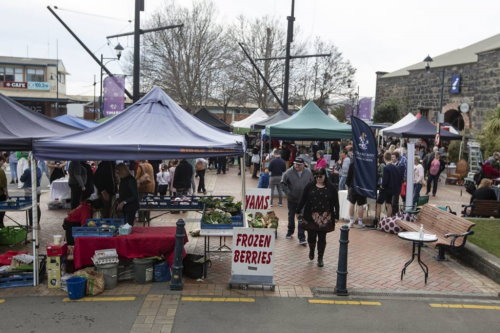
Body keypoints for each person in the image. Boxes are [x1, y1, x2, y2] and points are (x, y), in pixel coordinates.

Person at [296, 167, 339, 267]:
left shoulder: (331, 187)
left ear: (325, 176)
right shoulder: (309, 186)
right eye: (317, 176)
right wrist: (298, 210)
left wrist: (336, 215)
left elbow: (336, 202)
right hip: (311, 216)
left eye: (321, 176)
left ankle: (320, 258)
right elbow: (303, 199)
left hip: (325, 217)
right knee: (311, 237)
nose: (319, 178)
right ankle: (311, 250)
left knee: (322, 238)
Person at [281, 157, 313, 244]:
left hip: (303, 200)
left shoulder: (308, 172)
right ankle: (290, 231)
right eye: (295, 164)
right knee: (291, 216)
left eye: (299, 165)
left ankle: (301, 237)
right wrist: (288, 193)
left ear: (303, 165)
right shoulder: (288, 172)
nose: (297, 166)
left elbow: (312, 183)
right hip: (292, 199)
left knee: (301, 217)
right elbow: (283, 183)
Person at [374, 152, 402, 225]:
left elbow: (385, 180)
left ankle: (376, 220)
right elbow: (400, 179)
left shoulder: (386, 168)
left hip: (385, 189)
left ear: (384, 158)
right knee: (389, 204)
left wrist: (381, 186)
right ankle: (389, 220)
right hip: (393, 189)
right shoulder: (396, 167)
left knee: (378, 203)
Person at [346, 161, 366, 228]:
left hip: (353, 186)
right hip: (362, 186)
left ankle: (351, 221)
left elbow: (349, 175)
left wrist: (349, 185)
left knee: (352, 203)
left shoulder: (353, 163)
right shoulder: (364, 162)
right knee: (360, 204)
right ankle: (360, 222)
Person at [0, 156, 8, 228]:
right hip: (1, 194)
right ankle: (1, 224)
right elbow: (2, 184)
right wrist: (6, 193)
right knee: (2, 210)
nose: (3, 163)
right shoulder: (1, 171)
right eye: (2, 161)